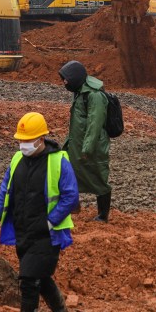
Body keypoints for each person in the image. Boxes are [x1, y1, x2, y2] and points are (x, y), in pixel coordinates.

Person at [0, 112, 78, 312]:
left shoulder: (58, 161)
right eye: (21, 140)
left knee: (28, 279)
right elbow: (5, 189)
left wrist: (51, 220)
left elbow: (71, 197)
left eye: (28, 141)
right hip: (23, 231)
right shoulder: (17, 159)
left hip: (47, 234)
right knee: (41, 276)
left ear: (41, 139)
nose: (23, 145)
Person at [58, 60, 112, 222]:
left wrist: (87, 149)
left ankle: (103, 215)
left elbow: (94, 124)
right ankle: (73, 206)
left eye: (66, 79)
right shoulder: (80, 91)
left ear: (75, 78)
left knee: (98, 178)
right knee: (68, 174)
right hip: (76, 145)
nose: (64, 83)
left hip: (92, 147)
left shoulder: (94, 95)